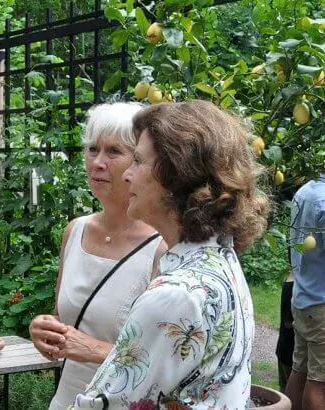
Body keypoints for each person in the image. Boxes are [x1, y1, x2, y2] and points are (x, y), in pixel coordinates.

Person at [73, 100, 270, 409]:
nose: (127, 175)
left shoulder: (176, 294)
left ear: (174, 177)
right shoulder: (221, 260)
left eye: (137, 161)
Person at [29, 102, 166, 410]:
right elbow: (64, 321)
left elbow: (163, 361)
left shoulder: (162, 247)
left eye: (114, 152)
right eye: (93, 149)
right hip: (67, 401)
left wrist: (92, 349)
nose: (97, 162)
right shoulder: (75, 231)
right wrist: (44, 328)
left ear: (141, 162)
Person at [284, 173, 325, 410]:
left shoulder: (307, 189)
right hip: (321, 304)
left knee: (300, 371)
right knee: (319, 384)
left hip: (303, 297)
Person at [276, 270, 294, 392]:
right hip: (289, 353)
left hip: (285, 350)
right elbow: (288, 323)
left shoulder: (290, 279)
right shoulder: (294, 285)